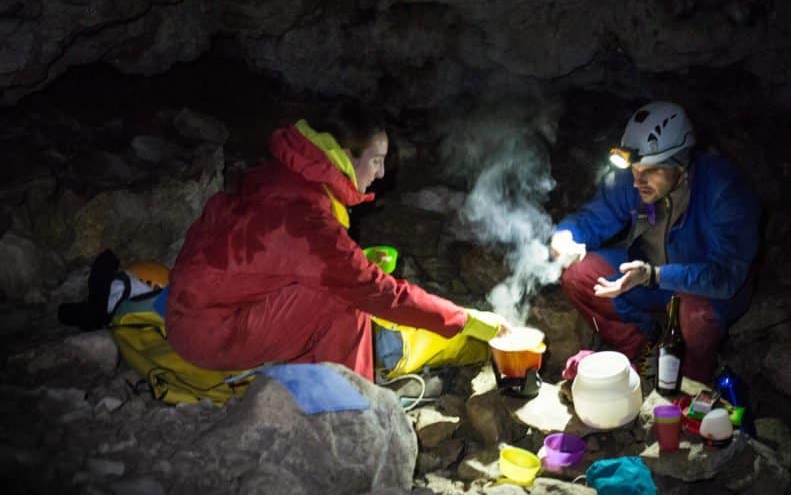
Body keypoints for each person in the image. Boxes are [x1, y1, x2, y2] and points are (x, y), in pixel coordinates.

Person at [166, 101, 508, 381]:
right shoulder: (303, 212)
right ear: (345, 155)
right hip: (209, 333)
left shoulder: (287, 174)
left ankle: (308, 372)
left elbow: (266, 255)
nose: (381, 173)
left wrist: (347, 264)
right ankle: (347, 406)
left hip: (195, 308)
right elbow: (379, 293)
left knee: (340, 286)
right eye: (376, 161)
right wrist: (464, 318)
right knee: (347, 301)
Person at [549, 101, 760, 384]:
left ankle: (693, 375)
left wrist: (653, 276)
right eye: (634, 169)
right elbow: (592, 219)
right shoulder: (633, 180)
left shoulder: (723, 190)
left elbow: (724, 277)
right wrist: (565, 236)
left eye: (651, 170)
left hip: (704, 292)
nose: (638, 181)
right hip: (648, 277)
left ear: (680, 165)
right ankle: (642, 350)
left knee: (695, 316)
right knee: (578, 273)